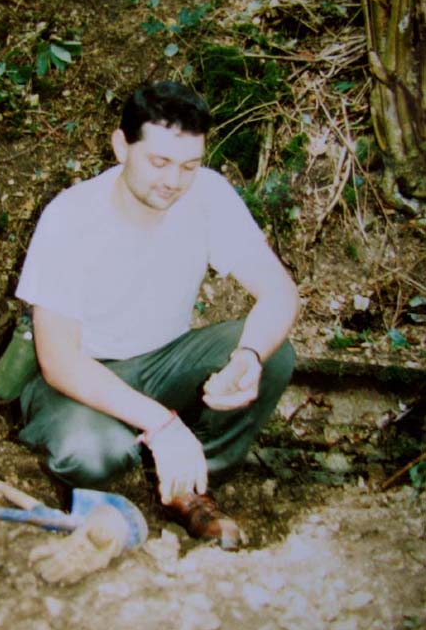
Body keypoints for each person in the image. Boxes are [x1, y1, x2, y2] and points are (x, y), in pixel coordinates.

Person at [15, 81, 299, 549]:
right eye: (159, 162)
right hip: (83, 378)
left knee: (274, 353)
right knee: (92, 452)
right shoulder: (71, 216)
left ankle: (191, 486)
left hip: (165, 363)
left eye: (189, 165)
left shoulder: (207, 195)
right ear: (121, 146)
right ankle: (104, 486)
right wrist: (162, 424)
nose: (174, 181)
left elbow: (280, 292)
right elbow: (59, 360)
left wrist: (247, 357)